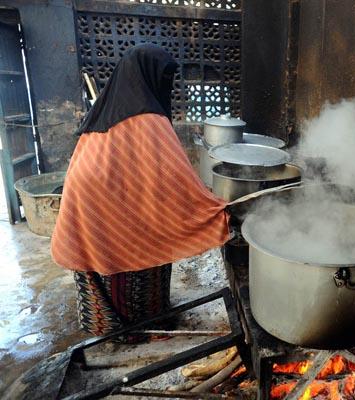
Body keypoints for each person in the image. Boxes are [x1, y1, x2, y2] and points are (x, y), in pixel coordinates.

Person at [50, 44, 230, 338]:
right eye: (165, 79)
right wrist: (213, 209)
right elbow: (173, 176)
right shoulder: (148, 119)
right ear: (149, 78)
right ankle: (141, 324)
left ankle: (107, 325)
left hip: (86, 199)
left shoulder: (107, 106)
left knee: (101, 261)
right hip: (100, 193)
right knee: (143, 244)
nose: (167, 87)